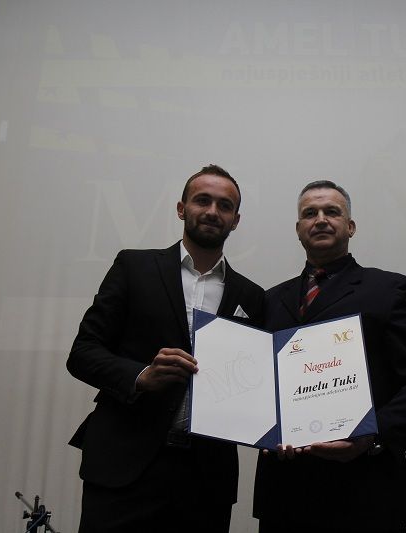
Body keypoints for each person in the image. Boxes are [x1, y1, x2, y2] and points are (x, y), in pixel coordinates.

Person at [67, 164, 264, 533]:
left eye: (224, 205)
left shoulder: (253, 296)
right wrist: (141, 376)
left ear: (236, 220)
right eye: (202, 200)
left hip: (205, 480)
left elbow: (255, 383)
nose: (212, 211)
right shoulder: (134, 266)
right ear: (181, 208)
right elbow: (83, 352)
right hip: (124, 467)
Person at [253, 180, 406, 533]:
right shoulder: (269, 300)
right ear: (298, 229)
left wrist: (371, 436)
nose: (321, 219)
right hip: (284, 494)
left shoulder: (389, 289)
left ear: (350, 226)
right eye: (310, 213)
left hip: (365, 490)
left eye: (332, 211)